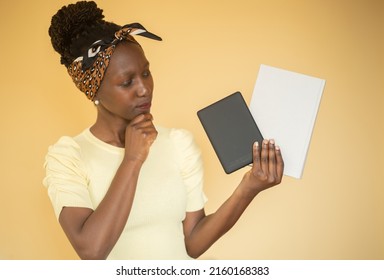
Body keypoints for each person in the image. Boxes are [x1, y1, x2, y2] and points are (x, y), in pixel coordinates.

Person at [43, 0, 284, 260]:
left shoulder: (178, 143)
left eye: (146, 73)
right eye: (127, 82)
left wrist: (248, 188)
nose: (144, 88)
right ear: (93, 92)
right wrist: (133, 159)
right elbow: (91, 250)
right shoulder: (68, 156)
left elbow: (192, 242)